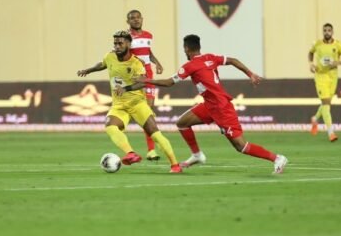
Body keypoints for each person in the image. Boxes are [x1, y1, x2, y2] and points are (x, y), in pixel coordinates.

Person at [120, 34, 288, 174]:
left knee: (240, 146)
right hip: (209, 105)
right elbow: (233, 60)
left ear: (186, 48)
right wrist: (250, 74)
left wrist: (146, 80)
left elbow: (169, 82)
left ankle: (277, 158)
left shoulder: (190, 66)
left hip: (221, 108)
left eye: (184, 49)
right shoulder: (211, 58)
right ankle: (197, 155)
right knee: (182, 123)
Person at [77, 30, 182, 173]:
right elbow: (102, 64)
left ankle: (175, 165)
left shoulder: (136, 63)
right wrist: (88, 70)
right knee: (110, 126)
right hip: (119, 106)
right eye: (115, 43)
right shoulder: (110, 56)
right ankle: (131, 153)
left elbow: (143, 83)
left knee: (155, 134)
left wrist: (126, 88)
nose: (117, 46)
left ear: (128, 44)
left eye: (120, 43)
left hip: (137, 104)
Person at [127, 10, 165, 161]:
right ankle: (150, 146)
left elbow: (148, 52)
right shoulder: (125, 37)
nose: (136, 20)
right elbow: (122, 55)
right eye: (132, 18)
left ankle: (152, 149)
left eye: (138, 17)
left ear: (142, 19)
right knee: (142, 113)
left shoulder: (149, 35)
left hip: (148, 76)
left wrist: (157, 63)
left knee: (149, 111)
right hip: (135, 76)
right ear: (128, 21)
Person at [307, 23, 341, 142]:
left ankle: (315, 119)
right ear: (323, 32)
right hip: (321, 76)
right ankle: (331, 133)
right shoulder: (318, 44)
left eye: (329, 30)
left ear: (332, 32)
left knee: (327, 103)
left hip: (333, 76)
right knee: (326, 104)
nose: (327, 32)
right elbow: (310, 53)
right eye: (325, 30)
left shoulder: (338, 45)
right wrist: (311, 64)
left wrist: (337, 63)